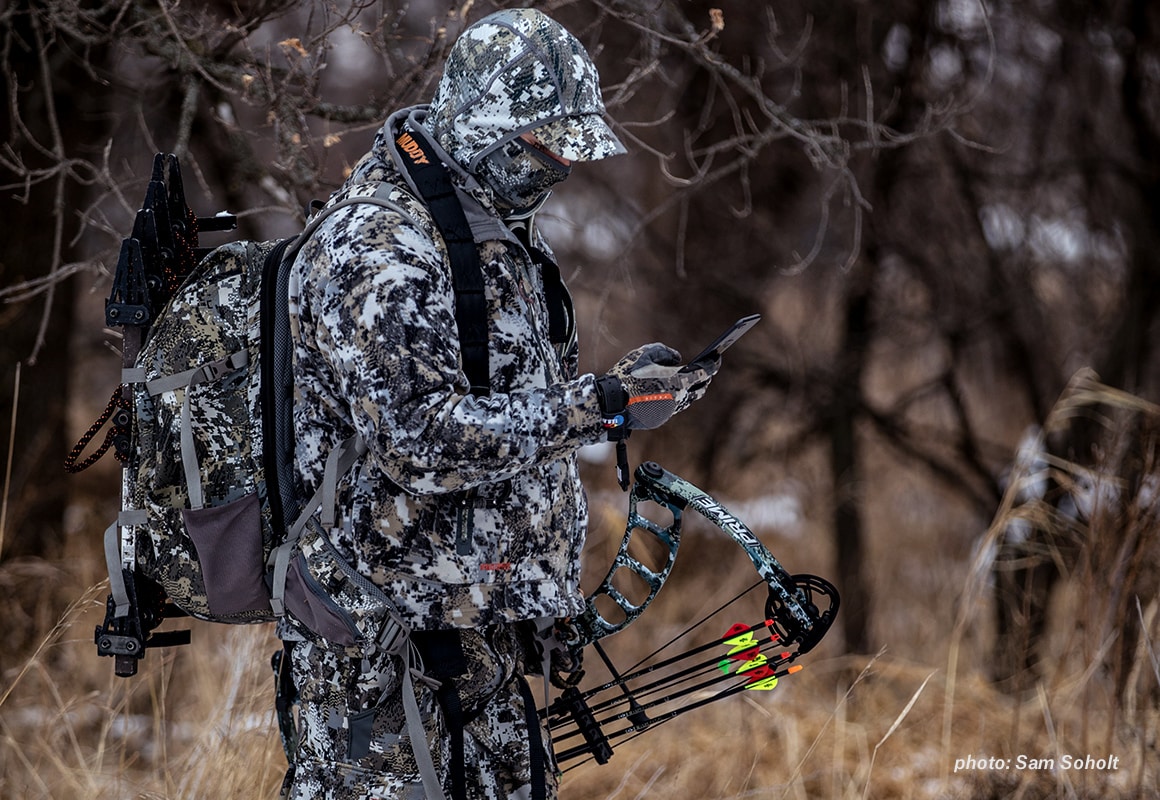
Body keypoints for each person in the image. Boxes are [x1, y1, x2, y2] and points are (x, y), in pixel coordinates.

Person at [280, 8, 719, 799]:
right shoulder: (379, 247)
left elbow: (513, 415)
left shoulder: (498, 235)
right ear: (486, 130)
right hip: (383, 653)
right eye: (543, 145)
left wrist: (539, 596)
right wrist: (599, 407)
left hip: (486, 633)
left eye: (566, 148)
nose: (559, 168)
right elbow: (417, 439)